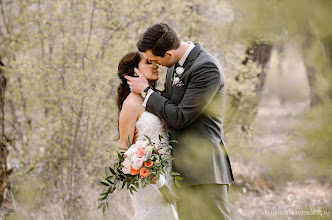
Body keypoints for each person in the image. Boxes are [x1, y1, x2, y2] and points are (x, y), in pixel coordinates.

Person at [124, 23, 234, 220]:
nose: (154, 65)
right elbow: (168, 106)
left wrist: (146, 91)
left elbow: (181, 116)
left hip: (204, 170)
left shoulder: (206, 67)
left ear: (168, 54)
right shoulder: (174, 65)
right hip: (180, 172)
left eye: (154, 60)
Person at [116, 51, 179, 220]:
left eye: (155, 62)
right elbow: (125, 151)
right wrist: (148, 171)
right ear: (134, 72)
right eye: (149, 63)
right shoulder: (130, 105)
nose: (155, 65)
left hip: (168, 173)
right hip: (147, 179)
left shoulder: (156, 98)